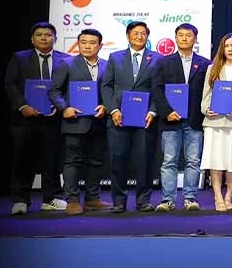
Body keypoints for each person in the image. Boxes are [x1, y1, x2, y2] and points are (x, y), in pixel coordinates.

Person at [4, 21, 70, 214]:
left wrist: (61, 106)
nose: (44, 38)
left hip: (54, 119)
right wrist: (23, 106)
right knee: (22, 159)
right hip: (25, 119)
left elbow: (69, 87)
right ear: (32, 39)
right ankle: (20, 200)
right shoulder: (20, 58)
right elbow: (10, 84)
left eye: (48, 35)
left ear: (55, 38)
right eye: (39, 35)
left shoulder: (66, 59)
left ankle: (50, 198)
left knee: (52, 160)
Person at [48, 28, 111, 215]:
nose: (87, 46)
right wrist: (64, 108)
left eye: (92, 43)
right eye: (83, 42)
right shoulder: (66, 64)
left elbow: (111, 91)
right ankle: (73, 201)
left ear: (100, 45)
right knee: (72, 161)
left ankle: (92, 198)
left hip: (99, 121)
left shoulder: (108, 65)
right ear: (78, 44)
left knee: (96, 161)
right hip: (74, 122)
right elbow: (54, 91)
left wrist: (106, 106)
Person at [101, 21, 161, 213]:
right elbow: (106, 86)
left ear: (147, 36)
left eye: (143, 33)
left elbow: (159, 88)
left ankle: (143, 200)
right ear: (128, 36)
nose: (139, 36)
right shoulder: (115, 57)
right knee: (118, 160)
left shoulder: (157, 59)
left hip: (146, 118)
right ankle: (119, 201)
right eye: (135, 33)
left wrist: (153, 111)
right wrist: (113, 110)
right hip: (119, 117)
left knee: (144, 161)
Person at [152, 23, 209, 211]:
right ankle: (167, 200)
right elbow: (157, 89)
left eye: (188, 35)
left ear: (195, 39)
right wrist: (166, 111)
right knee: (169, 161)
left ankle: (190, 198)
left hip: (194, 119)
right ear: (175, 38)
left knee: (193, 161)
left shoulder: (205, 64)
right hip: (170, 120)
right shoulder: (163, 62)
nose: (184, 38)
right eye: (181, 35)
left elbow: (208, 92)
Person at [200, 33, 232, 212]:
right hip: (214, 122)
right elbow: (205, 97)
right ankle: (217, 196)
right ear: (222, 49)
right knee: (216, 160)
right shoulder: (212, 69)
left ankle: (229, 195)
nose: (230, 49)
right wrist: (207, 110)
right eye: (227, 46)